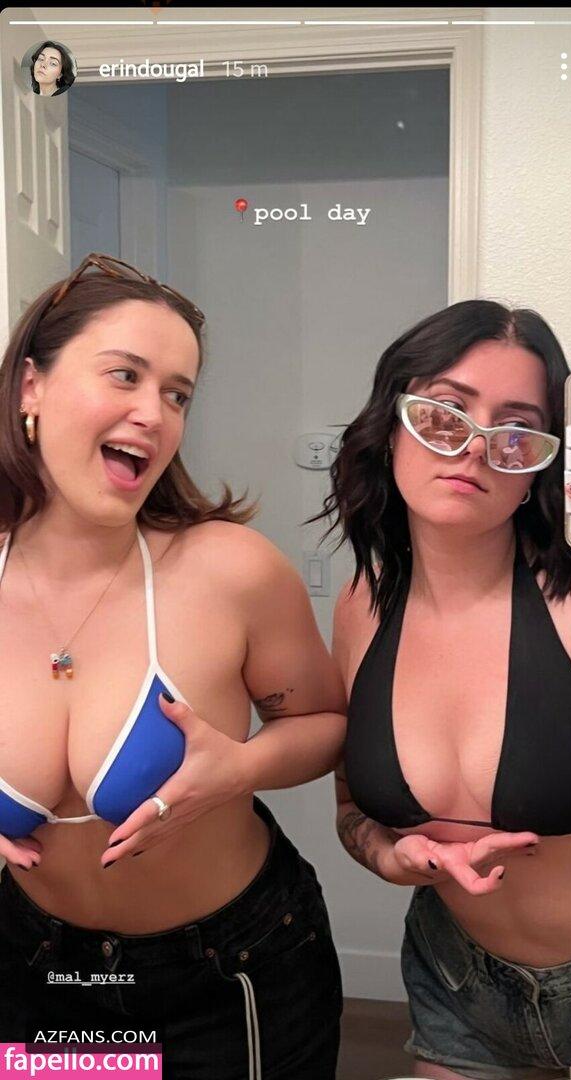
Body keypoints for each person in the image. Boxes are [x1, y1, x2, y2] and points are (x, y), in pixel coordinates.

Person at [0, 253, 345, 1079]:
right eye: (125, 375)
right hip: (37, 972)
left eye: (178, 394)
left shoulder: (230, 570)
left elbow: (326, 723)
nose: (153, 413)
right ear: (30, 388)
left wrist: (242, 768)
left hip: (226, 974)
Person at [316, 300, 571, 1079]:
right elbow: (349, 805)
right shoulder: (360, 609)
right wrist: (388, 854)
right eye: (444, 414)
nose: (475, 447)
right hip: (457, 983)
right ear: (392, 427)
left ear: (540, 464)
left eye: (515, 431)